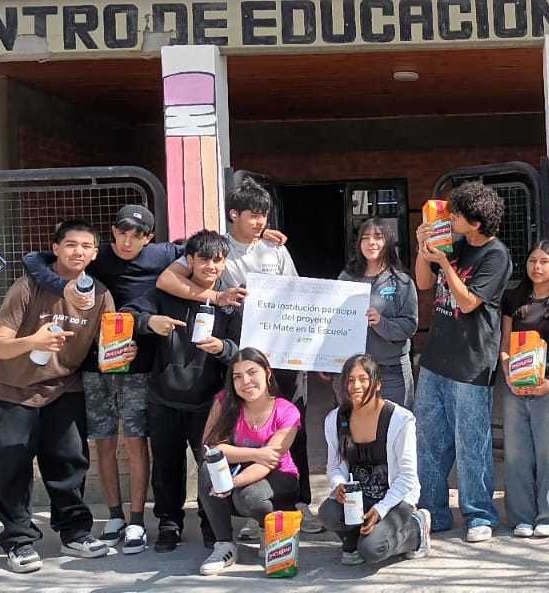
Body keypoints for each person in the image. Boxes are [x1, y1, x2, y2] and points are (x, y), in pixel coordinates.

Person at [159, 177, 321, 533]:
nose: (261, 222)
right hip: (240, 358)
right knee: (241, 429)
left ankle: (298, 502)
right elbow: (168, 280)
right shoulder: (217, 250)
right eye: (254, 215)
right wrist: (217, 297)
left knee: (294, 427)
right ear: (234, 214)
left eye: (265, 215)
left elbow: (298, 294)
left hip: (282, 356)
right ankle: (249, 505)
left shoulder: (276, 250)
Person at [18, 204, 178, 554]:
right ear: (112, 231)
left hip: (137, 364)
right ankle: (115, 515)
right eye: (122, 232)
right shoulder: (94, 253)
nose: (127, 240)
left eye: (136, 235)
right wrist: (61, 286)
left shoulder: (163, 254)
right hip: (93, 364)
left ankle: (137, 520)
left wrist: (260, 238)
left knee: (136, 440)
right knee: (103, 440)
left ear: (149, 238)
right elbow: (34, 259)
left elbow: (204, 250)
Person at [0, 220, 114, 574]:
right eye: (71, 245)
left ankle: (75, 532)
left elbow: (108, 343)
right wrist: (33, 342)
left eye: (86, 246)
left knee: (69, 461)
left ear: (95, 253)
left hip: (63, 386)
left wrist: (120, 350)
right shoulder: (26, 288)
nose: (78, 252)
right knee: (8, 465)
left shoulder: (100, 294)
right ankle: (19, 539)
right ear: (55, 248)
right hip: (12, 388)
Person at [126, 230, 245, 553]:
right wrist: (150, 323)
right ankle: (169, 524)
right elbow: (128, 315)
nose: (211, 266)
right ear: (188, 260)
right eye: (204, 259)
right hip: (163, 397)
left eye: (218, 260)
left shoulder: (231, 300)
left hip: (210, 401)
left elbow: (245, 352)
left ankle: (213, 525)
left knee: (211, 464)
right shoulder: (166, 291)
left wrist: (223, 347)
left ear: (225, 262)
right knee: (166, 465)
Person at [412, 181, 512, 543]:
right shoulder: (451, 245)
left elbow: (469, 302)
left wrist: (445, 264)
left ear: (476, 219)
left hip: (472, 363)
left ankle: (480, 514)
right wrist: (425, 249)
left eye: (457, 213)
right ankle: (433, 511)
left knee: (472, 442)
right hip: (436, 358)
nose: (451, 217)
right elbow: (423, 283)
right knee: (429, 441)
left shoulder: (496, 255)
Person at [196, 349, 301, 575]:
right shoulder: (225, 402)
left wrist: (232, 483)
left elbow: (269, 461)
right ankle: (224, 544)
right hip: (241, 471)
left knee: (250, 497)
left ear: (268, 373)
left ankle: (270, 528)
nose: (245, 381)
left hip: (279, 477)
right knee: (208, 470)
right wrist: (255, 454)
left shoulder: (286, 410)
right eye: (237, 376)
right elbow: (211, 450)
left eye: (252, 372)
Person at [498, 241, 549, 538]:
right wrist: (509, 375)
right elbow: (505, 343)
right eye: (533, 260)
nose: (537, 267)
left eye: (544, 261)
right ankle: (521, 516)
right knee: (517, 453)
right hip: (514, 386)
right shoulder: (513, 299)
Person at [320, 355, 431, 565]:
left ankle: (416, 530)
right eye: (350, 380)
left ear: (377, 383)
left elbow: (407, 477)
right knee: (328, 512)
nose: (356, 386)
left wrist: (381, 510)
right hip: (358, 500)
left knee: (373, 550)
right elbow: (334, 467)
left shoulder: (400, 419)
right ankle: (352, 540)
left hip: (395, 498)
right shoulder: (334, 419)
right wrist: (339, 485)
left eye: (363, 379)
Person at [338, 218, 419, 407]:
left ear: (388, 242)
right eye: (365, 238)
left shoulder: (402, 282)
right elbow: (334, 322)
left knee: (395, 427)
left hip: (392, 371)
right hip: (356, 371)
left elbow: (410, 326)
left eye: (377, 237)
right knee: (357, 429)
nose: (371, 242)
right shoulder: (346, 279)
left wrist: (381, 322)